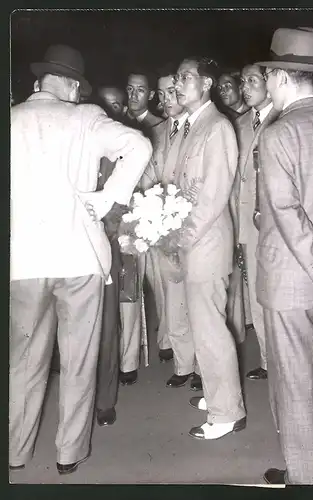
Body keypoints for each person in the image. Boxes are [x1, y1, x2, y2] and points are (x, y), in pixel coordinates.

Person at [10, 44, 152, 474]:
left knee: (23, 361)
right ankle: (68, 454)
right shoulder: (86, 118)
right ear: (72, 85)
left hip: (24, 262)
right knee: (77, 360)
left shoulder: (11, 118)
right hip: (81, 258)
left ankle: (15, 451)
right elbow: (139, 146)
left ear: (39, 83)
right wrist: (107, 197)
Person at [255, 27, 313, 484]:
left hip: (294, 282)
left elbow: (286, 212)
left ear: (282, 78)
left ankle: (309, 481)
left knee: (295, 390)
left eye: (267, 74)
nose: (266, 82)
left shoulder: (278, 133)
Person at [174, 56, 246, 440]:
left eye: (186, 77)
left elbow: (214, 194)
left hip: (205, 241)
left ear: (206, 83)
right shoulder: (193, 125)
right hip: (195, 241)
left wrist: (181, 237)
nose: (178, 83)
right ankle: (221, 392)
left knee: (210, 329)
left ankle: (226, 413)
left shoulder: (216, 126)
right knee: (205, 326)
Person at [141, 64, 202, 390]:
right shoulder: (158, 132)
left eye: (172, 91)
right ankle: (183, 365)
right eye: (161, 93)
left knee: (199, 303)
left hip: (197, 230)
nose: (166, 99)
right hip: (163, 232)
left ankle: (204, 369)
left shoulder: (200, 128)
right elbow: (151, 174)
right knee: (172, 301)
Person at [230, 63, 279, 381]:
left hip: (278, 225)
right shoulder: (239, 124)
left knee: (278, 295)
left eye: (252, 80)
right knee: (256, 296)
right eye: (242, 81)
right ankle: (267, 360)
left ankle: (284, 358)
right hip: (247, 224)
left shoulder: (285, 118)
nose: (245, 87)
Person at [118, 69, 164, 387]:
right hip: (122, 220)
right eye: (130, 89)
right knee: (127, 289)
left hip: (152, 216)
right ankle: (127, 360)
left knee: (159, 285)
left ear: (149, 94)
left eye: (140, 90)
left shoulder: (159, 126)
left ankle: (169, 342)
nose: (134, 95)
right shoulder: (114, 124)